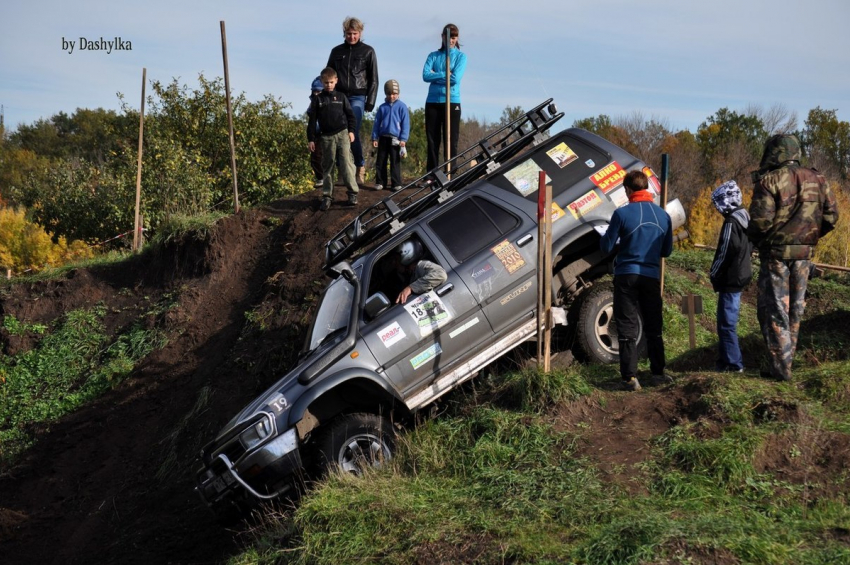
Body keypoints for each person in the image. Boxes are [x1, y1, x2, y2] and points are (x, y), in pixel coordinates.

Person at [747, 134, 838, 382]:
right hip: (805, 254)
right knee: (795, 311)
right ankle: (784, 364)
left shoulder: (769, 181)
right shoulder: (819, 179)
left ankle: (781, 369)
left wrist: (755, 240)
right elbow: (832, 217)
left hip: (776, 254)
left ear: (774, 153)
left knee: (776, 310)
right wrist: (810, 237)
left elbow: (760, 222)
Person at [600, 170, 674, 391]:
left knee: (627, 326)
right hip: (651, 276)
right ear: (647, 189)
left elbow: (606, 247)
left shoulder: (622, 214)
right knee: (654, 325)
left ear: (628, 190)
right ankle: (658, 373)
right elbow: (667, 251)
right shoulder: (664, 216)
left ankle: (630, 378)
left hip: (627, 275)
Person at [326, 16, 378, 185]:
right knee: (340, 132)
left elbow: (374, 78)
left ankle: (359, 167)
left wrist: (370, 101)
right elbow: (328, 74)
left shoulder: (368, 51)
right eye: (349, 33)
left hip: (358, 96)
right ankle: (343, 171)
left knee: (352, 130)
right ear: (344, 33)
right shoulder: (336, 51)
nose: (352, 37)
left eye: (355, 33)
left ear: (360, 33)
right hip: (339, 96)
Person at [709, 180, 753, 373]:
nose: (717, 209)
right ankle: (726, 362)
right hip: (741, 275)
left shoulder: (731, 222)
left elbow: (726, 250)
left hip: (730, 279)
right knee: (728, 323)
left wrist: (714, 272)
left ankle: (734, 365)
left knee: (726, 325)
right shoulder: (746, 218)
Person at [307, 67, 359, 211]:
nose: (328, 85)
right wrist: (311, 139)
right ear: (322, 82)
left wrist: (351, 131)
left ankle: (353, 193)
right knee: (328, 166)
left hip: (342, 134)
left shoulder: (342, 97)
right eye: (325, 83)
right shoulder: (318, 100)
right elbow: (312, 121)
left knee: (346, 163)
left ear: (336, 81)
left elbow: (350, 115)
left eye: (331, 82)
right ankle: (327, 196)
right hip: (326, 137)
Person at [422, 23, 467, 172]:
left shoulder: (461, 57)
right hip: (433, 101)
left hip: (452, 100)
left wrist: (436, 75)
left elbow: (455, 79)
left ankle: (450, 172)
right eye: (448, 37)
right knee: (433, 140)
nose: (451, 40)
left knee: (451, 139)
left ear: (457, 38)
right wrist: (444, 74)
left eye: (453, 37)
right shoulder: (433, 55)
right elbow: (425, 75)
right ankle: (432, 174)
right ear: (442, 37)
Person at [371, 79, 410, 192]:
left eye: (394, 94)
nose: (392, 96)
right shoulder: (382, 107)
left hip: (395, 139)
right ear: (386, 94)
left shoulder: (402, 107)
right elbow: (377, 123)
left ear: (398, 94)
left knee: (395, 161)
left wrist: (403, 139)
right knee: (381, 161)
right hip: (383, 138)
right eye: (389, 94)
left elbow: (405, 124)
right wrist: (374, 137)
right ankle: (380, 182)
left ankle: (396, 183)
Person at [394, 240, 447, 305]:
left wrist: (410, 288)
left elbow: (441, 274)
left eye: (397, 260)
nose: (395, 263)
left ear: (407, 257)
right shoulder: (409, 274)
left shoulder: (421, 265)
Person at [306, 76, 325, 189]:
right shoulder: (312, 104)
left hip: (326, 134)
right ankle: (320, 178)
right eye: (315, 91)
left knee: (326, 159)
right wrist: (310, 138)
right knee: (315, 159)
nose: (317, 93)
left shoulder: (328, 102)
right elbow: (311, 123)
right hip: (316, 135)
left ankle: (326, 179)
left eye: (319, 91)